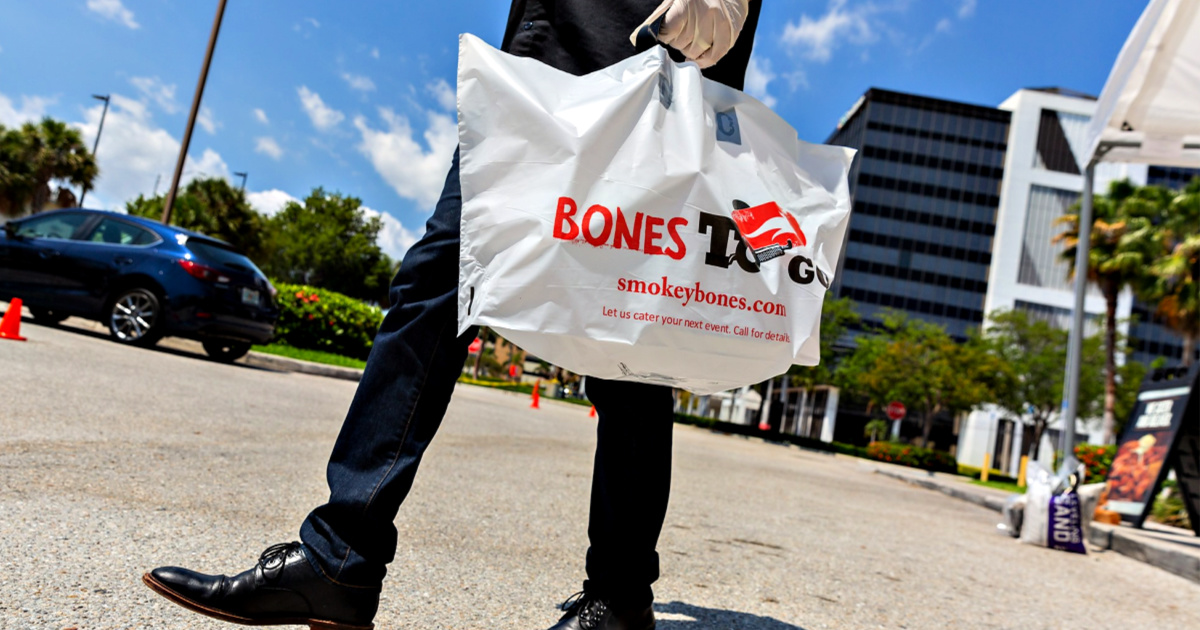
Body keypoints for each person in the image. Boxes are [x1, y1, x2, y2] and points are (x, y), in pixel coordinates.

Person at [143, 2, 761, 629]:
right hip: (538, 71)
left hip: (651, 58)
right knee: (436, 283)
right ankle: (339, 557)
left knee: (629, 343)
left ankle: (621, 599)